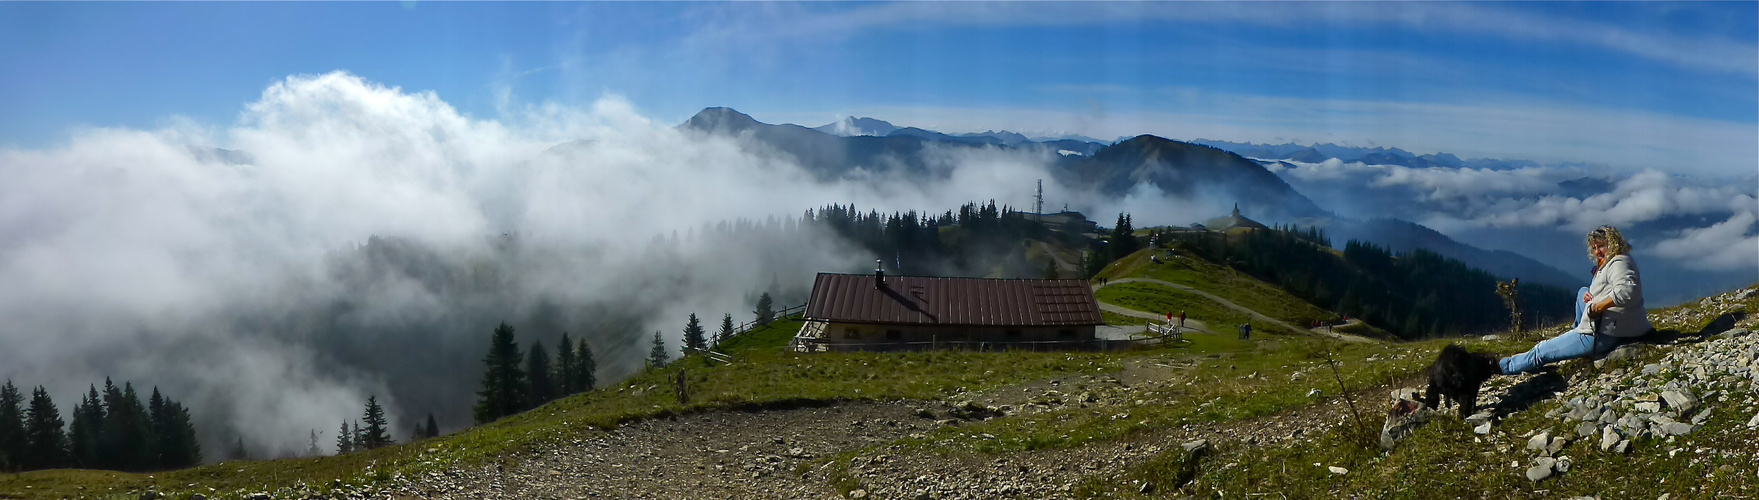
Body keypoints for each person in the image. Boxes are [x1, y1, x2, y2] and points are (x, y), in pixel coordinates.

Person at [1495, 225, 1653, 374]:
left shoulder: (1618, 263)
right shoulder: (1619, 259)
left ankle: (1501, 367)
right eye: (1594, 247)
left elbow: (1627, 290)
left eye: (1601, 246)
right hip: (1625, 325)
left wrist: (1598, 306)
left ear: (1612, 244)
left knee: (1540, 351)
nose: (1597, 251)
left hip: (1603, 334)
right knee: (1582, 292)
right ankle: (1576, 331)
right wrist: (1593, 297)